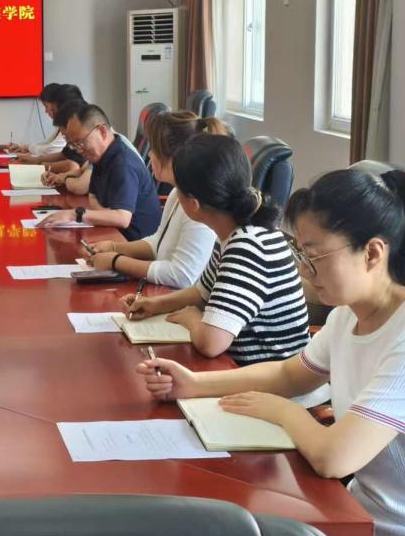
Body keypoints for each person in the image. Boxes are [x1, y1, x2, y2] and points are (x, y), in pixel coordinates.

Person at [137, 168, 405, 536]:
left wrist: (282, 411)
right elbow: (290, 374)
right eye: (301, 254)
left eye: (315, 256)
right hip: (358, 517)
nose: (304, 271)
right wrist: (193, 384)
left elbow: (333, 457)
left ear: (372, 253)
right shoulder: (347, 316)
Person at [121, 133, 309, 363]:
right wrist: (155, 305)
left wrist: (191, 318)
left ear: (193, 204)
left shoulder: (248, 246)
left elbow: (211, 343)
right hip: (241, 369)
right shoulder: (236, 231)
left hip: (269, 378)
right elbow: (202, 293)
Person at [85, 110, 224, 287]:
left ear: (174, 157)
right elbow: (157, 243)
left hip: (176, 296)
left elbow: (182, 276)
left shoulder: (197, 206)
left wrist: (116, 261)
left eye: (155, 150)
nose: (150, 155)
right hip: (162, 292)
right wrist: (113, 247)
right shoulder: (177, 193)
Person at [37, 103, 161, 240]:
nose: (78, 150)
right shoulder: (100, 156)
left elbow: (122, 218)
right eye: (74, 145)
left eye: (80, 142)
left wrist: (75, 214)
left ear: (102, 131)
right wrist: (104, 212)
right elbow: (92, 197)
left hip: (133, 241)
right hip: (111, 231)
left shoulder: (123, 164)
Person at [5, 84, 82, 162]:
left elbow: (52, 151)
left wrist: (33, 158)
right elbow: (61, 153)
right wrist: (26, 150)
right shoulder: (65, 125)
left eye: (48, 107)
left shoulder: (74, 126)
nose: (48, 111)